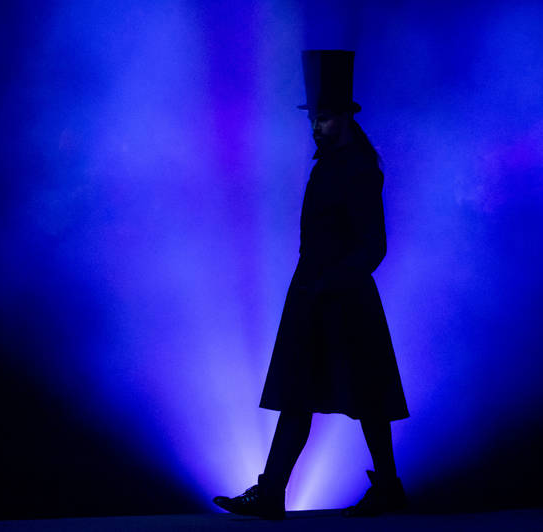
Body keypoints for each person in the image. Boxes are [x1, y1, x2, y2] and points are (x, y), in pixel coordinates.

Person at [213, 50, 410, 519]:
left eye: (323, 118)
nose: (316, 127)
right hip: (318, 296)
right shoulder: (332, 165)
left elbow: (373, 245)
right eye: (315, 118)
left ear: (343, 118)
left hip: (341, 299)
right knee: (305, 395)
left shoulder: (359, 169)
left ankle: (380, 488)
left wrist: (331, 283)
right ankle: (274, 491)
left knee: (364, 398)